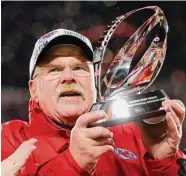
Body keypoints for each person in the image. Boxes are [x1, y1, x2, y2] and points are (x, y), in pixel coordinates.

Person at [1, 28, 186, 176]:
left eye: (79, 67)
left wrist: (164, 161)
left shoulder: (134, 134)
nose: (68, 77)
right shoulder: (9, 139)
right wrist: (74, 163)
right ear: (34, 90)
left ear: (94, 83)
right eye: (54, 70)